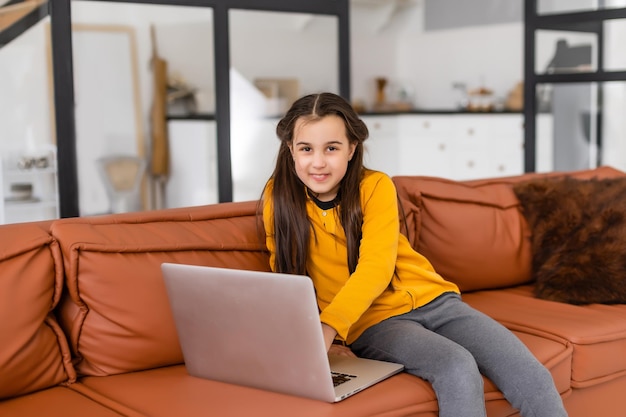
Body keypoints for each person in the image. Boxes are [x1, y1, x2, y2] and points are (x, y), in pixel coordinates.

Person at [261, 92, 567, 417]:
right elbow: (287, 279)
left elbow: (376, 266)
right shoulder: (277, 199)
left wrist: (328, 327)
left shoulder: (375, 187)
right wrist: (323, 334)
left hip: (438, 302)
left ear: (351, 148)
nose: (318, 162)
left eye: (331, 148)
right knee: (457, 367)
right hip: (376, 322)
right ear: (290, 149)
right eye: (306, 149)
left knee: (531, 374)